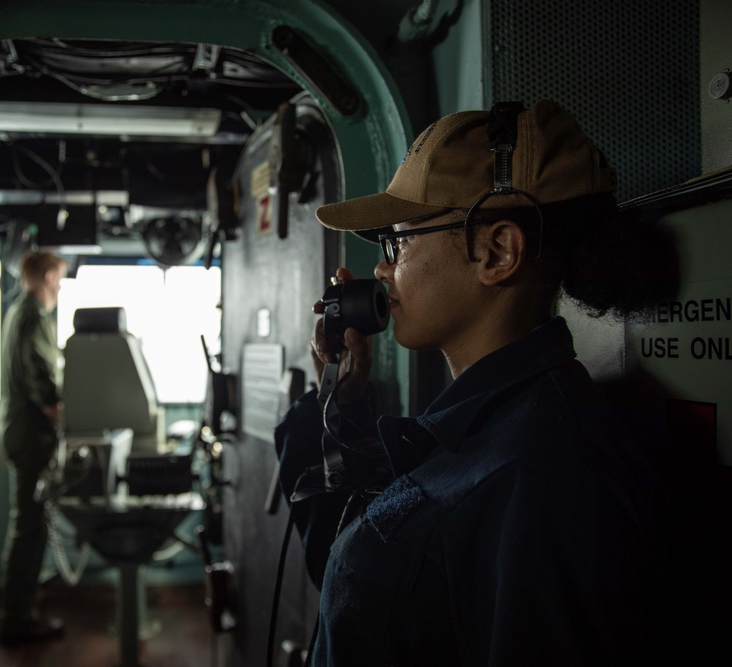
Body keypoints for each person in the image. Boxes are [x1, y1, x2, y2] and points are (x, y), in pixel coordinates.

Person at [275, 100, 679, 665]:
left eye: (398, 241)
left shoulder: (542, 480)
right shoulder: (478, 438)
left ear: (497, 251)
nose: (384, 270)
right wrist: (337, 397)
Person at [0, 250, 68, 647]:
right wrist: (68, 419)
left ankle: (20, 613)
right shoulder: (33, 317)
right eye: (58, 277)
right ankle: (17, 620)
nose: (59, 285)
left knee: (28, 526)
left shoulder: (16, 313)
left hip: (18, 431)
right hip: (31, 436)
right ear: (46, 277)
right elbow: (43, 384)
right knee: (28, 530)